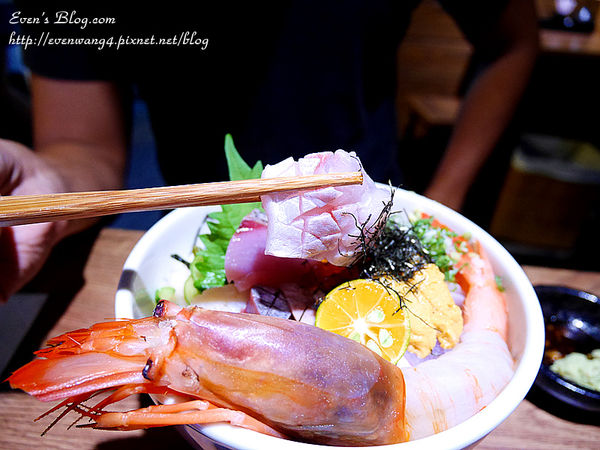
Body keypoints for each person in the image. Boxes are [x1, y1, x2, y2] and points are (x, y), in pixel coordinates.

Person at [0, 0, 539, 302]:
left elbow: (513, 40)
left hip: (379, 204)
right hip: (192, 218)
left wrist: (442, 200)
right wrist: (49, 186)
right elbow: (82, 143)